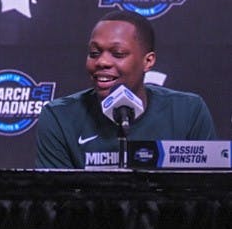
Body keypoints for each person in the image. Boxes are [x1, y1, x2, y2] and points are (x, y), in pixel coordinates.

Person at [35, 9, 216, 169]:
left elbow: (206, 194)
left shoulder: (189, 111)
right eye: (94, 53)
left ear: (148, 61)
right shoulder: (58, 117)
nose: (102, 62)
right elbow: (56, 201)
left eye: (118, 54)